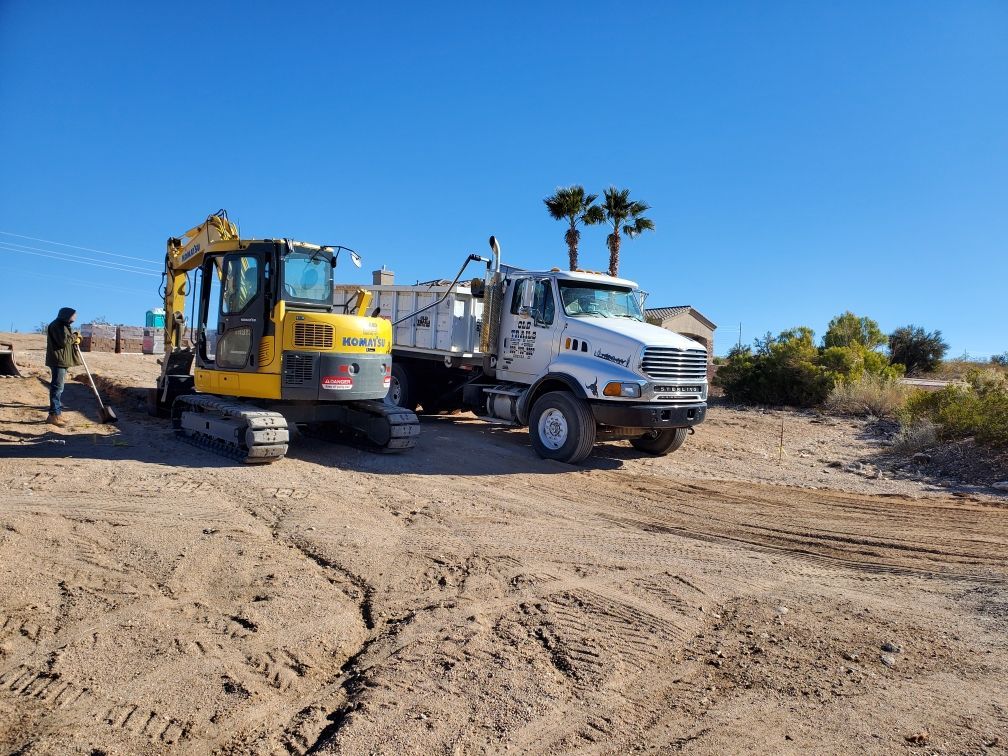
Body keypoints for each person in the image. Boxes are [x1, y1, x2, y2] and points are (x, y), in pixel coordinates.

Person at [45, 307, 80, 426]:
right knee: (57, 388)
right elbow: (64, 341)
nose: (75, 317)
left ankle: (57, 414)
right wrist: (76, 336)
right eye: (73, 315)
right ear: (67, 315)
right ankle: (53, 415)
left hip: (61, 360)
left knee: (59, 388)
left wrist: (74, 337)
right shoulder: (58, 325)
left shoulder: (63, 325)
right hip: (58, 360)